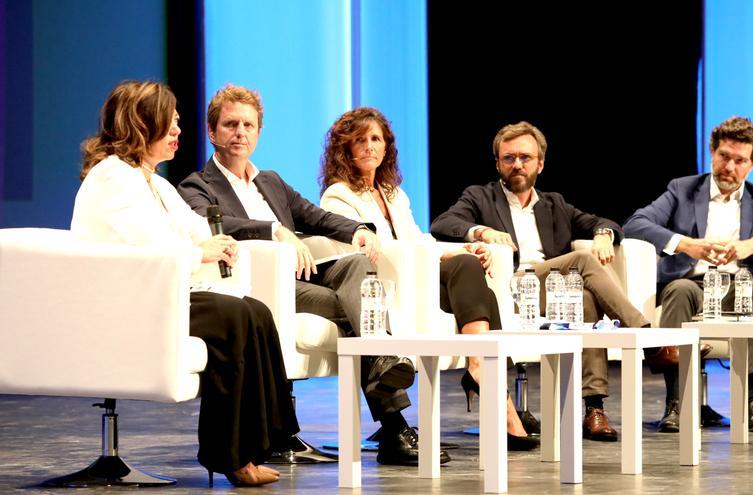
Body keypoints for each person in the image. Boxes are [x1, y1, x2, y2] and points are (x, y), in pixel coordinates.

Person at [178, 85, 446, 466]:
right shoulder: (197, 184)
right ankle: (392, 418)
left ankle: (386, 378)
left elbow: (314, 215)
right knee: (351, 305)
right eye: (230, 124)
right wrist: (274, 231)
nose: (240, 132)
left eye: (248, 125)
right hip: (259, 284)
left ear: (258, 132)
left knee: (354, 265)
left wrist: (357, 230)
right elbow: (209, 223)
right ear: (212, 132)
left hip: (300, 278)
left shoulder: (269, 180)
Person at [71, 80, 292, 487]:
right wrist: (201, 253)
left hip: (160, 293)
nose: (177, 132)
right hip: (128, 300)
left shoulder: (152, 180)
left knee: (255, 310)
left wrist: (217, 242)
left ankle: (267, 440)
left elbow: (191, 227)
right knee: (233, 317)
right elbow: (148, 249)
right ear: (142, 125)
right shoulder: (113, 177)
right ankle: (228, 456)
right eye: (169, 124)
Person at [318, 107, 539, 451]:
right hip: (386, 286)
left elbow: (419, 240)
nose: (369, 147)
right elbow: (373, 249)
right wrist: (437, 255)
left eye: (375, 139)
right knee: (463, 268)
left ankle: (480, 368)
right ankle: (493, 388)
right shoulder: (338, 195)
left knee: (467, 264)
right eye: (359, 140)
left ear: (386, 147)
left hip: (418, 277)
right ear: (344, 149)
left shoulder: (394, 194)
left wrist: (463, 248)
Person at [430, 121, 652, 442]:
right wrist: (482, 231)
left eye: (525, 157)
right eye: (509, 158)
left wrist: (603, 234)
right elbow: (443, 222)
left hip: (549, 294)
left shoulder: (554, 204)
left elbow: (602, 221)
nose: (517, 164)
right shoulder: (480, 197)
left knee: (586, 298)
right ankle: (646, 335)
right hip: (506, 288)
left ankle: (593, 408)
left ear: (540, 163)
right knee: (583, 260)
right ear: (498, 164)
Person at [623, 116, 753, 433]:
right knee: (680, 290)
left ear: (752, 165)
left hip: (741, 285)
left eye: (740, 161)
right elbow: (635, 224)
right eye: (724, 156)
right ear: (712, 152)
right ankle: (677, 402)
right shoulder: (682, 190)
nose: (729, 167)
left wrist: (752, 245)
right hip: (692, 284)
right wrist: (687, 245)